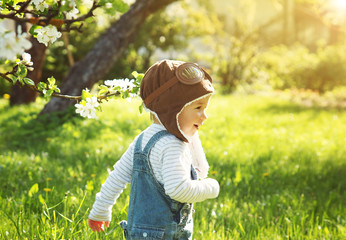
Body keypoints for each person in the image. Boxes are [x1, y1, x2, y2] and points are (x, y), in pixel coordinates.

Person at [88, 60, 220, 239]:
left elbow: (118, 176)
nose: (205, 115)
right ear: (171, 108)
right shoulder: (173, 145)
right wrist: (211, 187)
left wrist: (101, 210)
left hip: (141, 232)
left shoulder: (143, 139)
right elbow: (179, 190)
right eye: (198, 108)